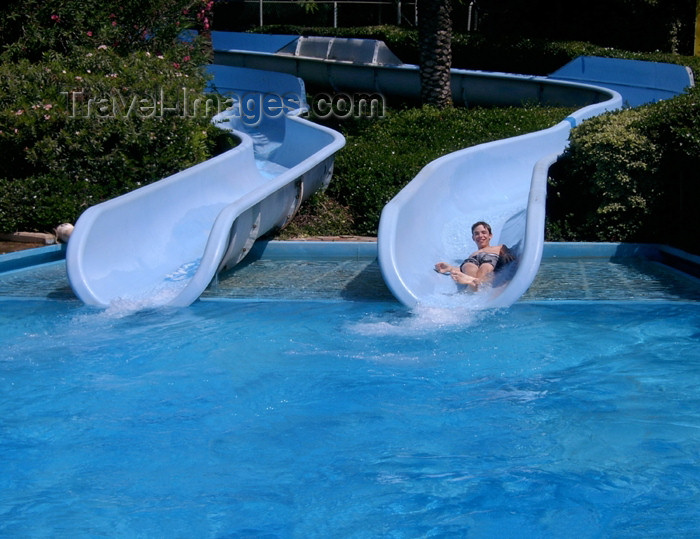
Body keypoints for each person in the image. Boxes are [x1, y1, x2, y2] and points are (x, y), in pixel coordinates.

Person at [434, 221, 514, 290]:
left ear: (490, 235)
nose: (480, 236)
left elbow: (506, 253)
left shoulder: (499, 247)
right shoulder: (473, 253)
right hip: (472, 259)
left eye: (484, 232)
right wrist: (450, 268)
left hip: (490, 256)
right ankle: (473, 282)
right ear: (473, 238)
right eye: (476, 234)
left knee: (485, 267)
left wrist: (506, 255)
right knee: (468, 266)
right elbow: (462, 270)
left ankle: (474, 283)